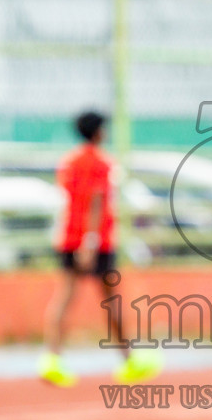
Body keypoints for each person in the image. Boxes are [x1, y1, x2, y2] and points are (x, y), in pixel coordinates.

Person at [38, 111, 159, 387]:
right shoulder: (101, 164)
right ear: (98, 132)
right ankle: (129, 360)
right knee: (111, 301)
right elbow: (95, 200)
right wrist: (90, 241)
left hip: (69, 237)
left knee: (65, 297)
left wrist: (78, 239)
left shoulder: (68, 162)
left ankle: (51, 359)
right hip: (96, 241)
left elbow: (70, 200)